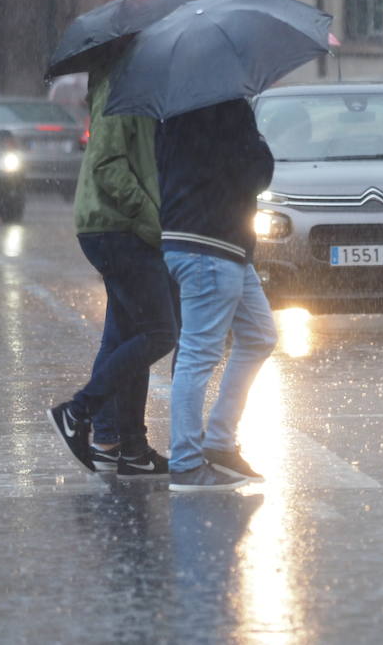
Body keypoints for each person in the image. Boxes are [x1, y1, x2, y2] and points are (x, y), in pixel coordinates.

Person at [48, 60, 180, 476]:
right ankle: (78, 411)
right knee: (161, 332)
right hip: (116, 226)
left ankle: (124, 446)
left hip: (121, 227)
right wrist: (150, 218)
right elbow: (107, 164)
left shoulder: (138, 82)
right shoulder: (120, 83)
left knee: (130, 334)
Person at [158, 98, 277, 492]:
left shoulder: (172, 107)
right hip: (211, 243)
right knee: (198, 353)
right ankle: (187, 463)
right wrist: (258, 140)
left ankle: (219, 443)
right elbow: (257, 174)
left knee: (260, 335)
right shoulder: (227, 106)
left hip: (206, 242)